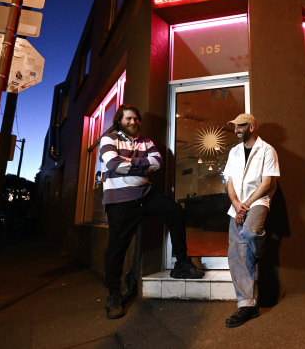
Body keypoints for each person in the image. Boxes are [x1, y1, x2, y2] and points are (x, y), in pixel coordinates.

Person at [100, 104, 204, 319]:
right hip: (120, 198)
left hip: (146, 194)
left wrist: (130, 162)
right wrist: (142, 164)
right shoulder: (109, 139)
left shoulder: (145, 141)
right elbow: (112, 163)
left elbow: (157, 163)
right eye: (128, 118)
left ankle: (181, 264)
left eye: (136, 119)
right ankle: (113, 294)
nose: (133, 122)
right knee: (117, 247)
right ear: (119, 121)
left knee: (176, 213)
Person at [223, 113, 280, 328]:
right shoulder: (234, 152)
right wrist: (236, 203)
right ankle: (247, 305)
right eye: (235, 126)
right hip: (237, 205)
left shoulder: (267, 150)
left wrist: (245, 204)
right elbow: (229, 182)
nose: (236, 130)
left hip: (257, 201)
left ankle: (259, 248)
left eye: (241, 126)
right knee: (237, 253)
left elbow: (267, 183)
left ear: (252, 126)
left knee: (250, 233)